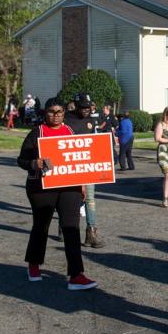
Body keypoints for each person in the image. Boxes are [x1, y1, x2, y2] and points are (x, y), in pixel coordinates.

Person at [17, 97, 97, 291]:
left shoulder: (69, 131)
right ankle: (34, 265)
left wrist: (82, 185)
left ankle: (76, 275)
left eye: (59, 112)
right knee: (41, 226)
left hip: (69, 188)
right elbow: (21, 160)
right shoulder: (37, 133)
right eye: (52, 112)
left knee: (71, 228)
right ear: (45, 113)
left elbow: (77, 161)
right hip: (41, 188)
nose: (56, 115)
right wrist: (33, 163)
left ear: (64, 112)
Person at [64, 94, 104, 249]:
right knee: (69, 200)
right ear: (76, 106)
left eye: (88, 107)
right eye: (83, 107)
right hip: (70, 167)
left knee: (90, 199)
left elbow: (96, 141)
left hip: (87, 166)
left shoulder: (92, 120)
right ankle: (64, 227)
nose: (86, 110)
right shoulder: (66, 120)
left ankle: (91, 233)